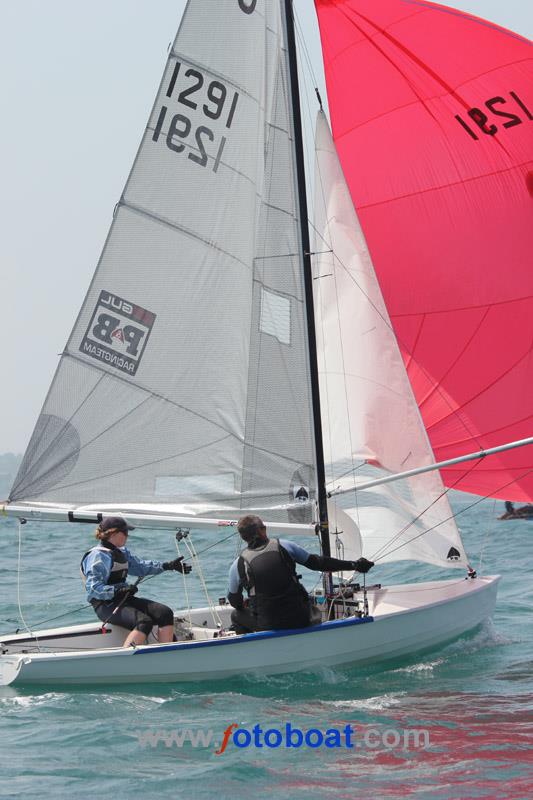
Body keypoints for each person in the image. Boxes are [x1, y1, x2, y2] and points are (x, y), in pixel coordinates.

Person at [227, 514, 374, 634]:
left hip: (267, 624)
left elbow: (235, 602)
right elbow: (318, 563)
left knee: (236, 615)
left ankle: (256, 649)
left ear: (243, 537)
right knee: (312, 603)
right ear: (262, 530)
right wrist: (354, 565)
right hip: (300, 619)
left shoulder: (238, 565)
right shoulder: (284, 546)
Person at [81, 516, 192, 647]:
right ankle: (125, 656)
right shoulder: (98, 556)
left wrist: (167, 566)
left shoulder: (121, 552)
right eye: (125, 532)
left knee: (165, 613)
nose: (128, 536)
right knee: (144, 622)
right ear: (114, 533)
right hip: (105, 605)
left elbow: (140, 567)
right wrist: (118, 590)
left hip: (124, 600)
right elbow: (93, 588)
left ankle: (165, 653)